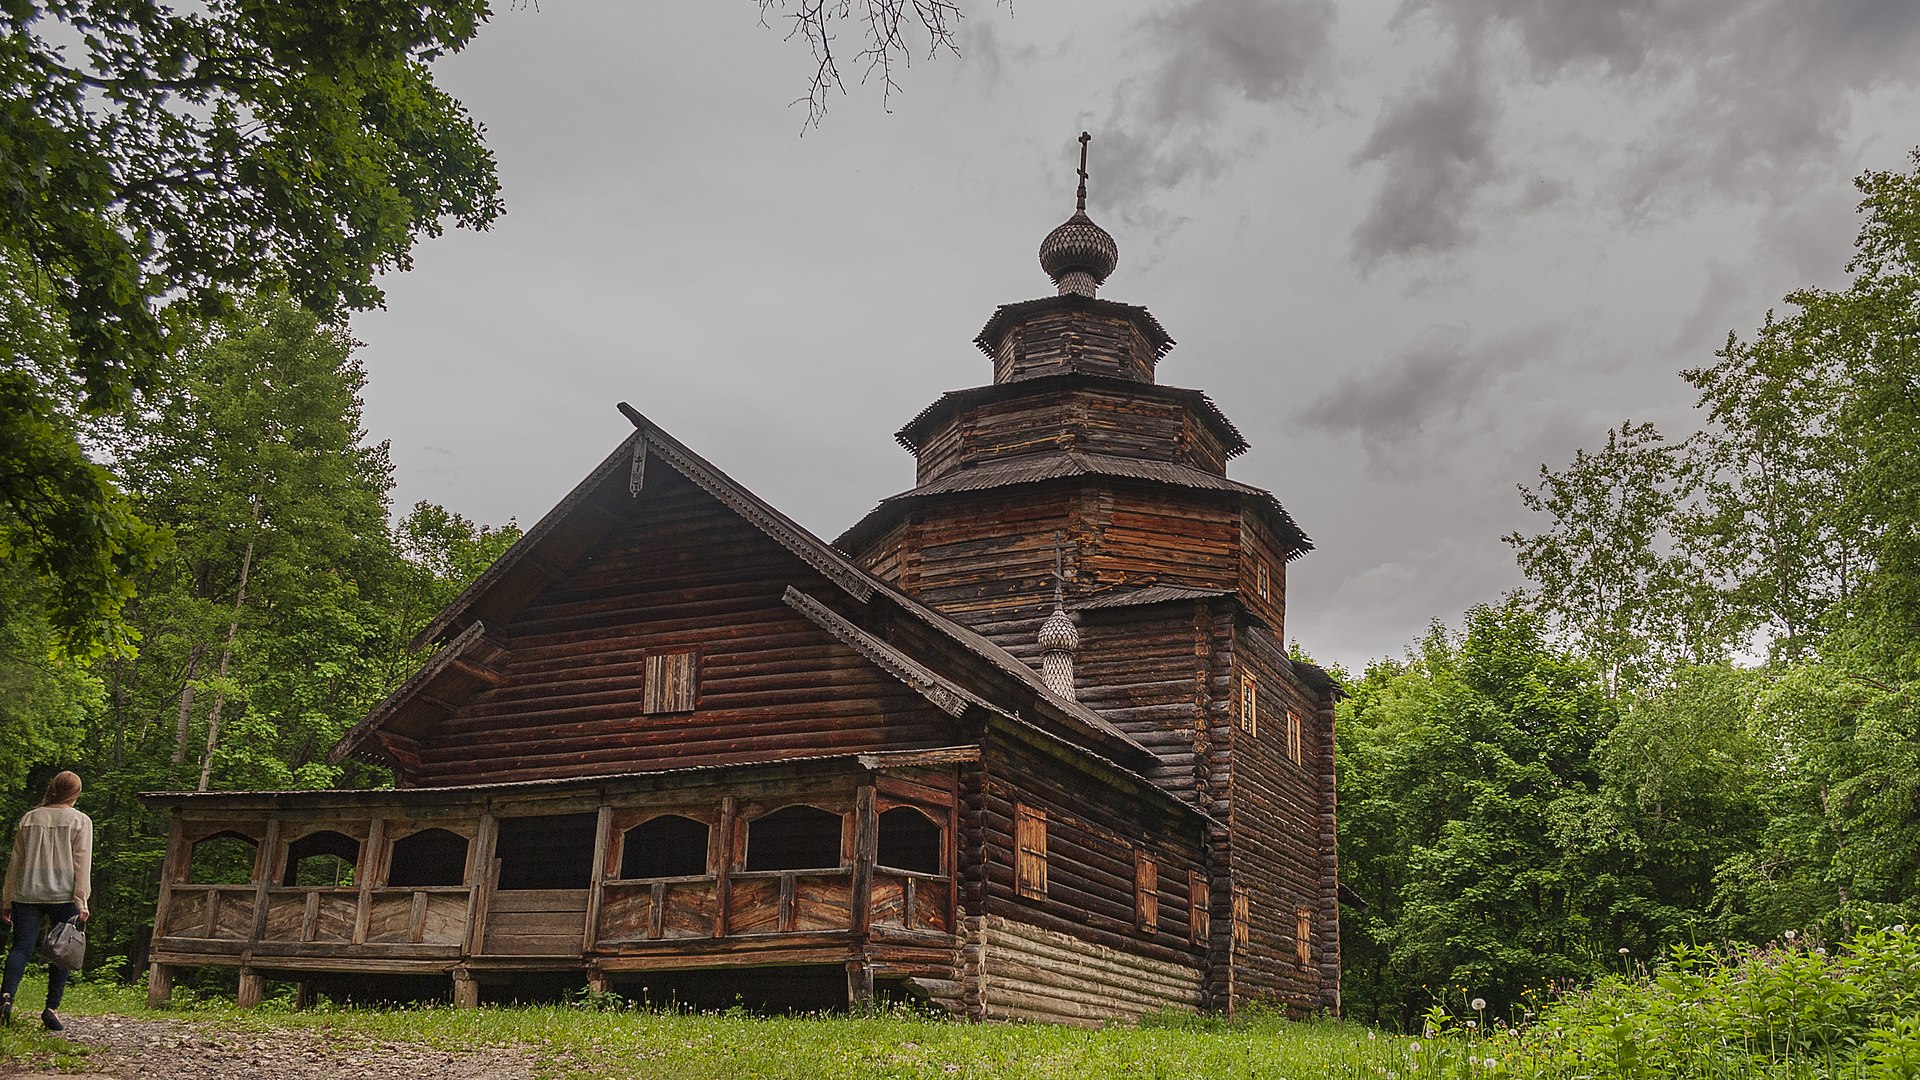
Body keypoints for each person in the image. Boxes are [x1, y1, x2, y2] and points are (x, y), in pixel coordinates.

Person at [1, 771, 92, 1031]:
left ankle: (5, 998)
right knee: (62, 953)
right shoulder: (80, 821)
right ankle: (51, 1008)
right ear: (75, 793)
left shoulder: (30, 818)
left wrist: (7, 899)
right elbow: (81, 862)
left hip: (27, 893)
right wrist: (82, 900)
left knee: (20, 948)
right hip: (64, 895)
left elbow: (15, 862)